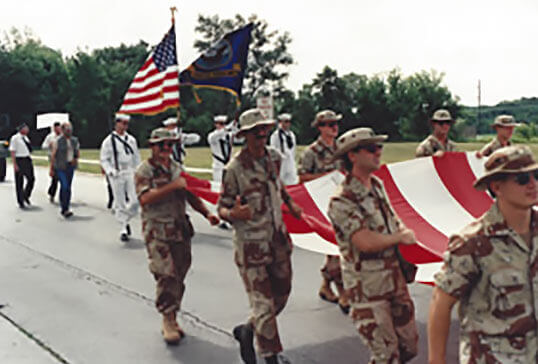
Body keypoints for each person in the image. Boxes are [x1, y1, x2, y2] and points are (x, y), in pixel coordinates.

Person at [428, 145, 538, 364]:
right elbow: (441, 302)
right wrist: (436, 360)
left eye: (536, 175)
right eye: (522, 179)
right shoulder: (473, 242)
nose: (533, 184)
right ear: (497, 187)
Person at [217, 108, 303, 364]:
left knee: (281, 295)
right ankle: (271, 356)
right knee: (264, 305)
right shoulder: (234, 168)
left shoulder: (273, 158)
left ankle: (248, 330)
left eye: (264, 130)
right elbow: (221, 207)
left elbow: (279, 186)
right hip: (251, 246)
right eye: (256, 132)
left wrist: (291, 203)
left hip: (277, 240)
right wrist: (235, 213)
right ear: (245, 135)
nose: (261, 135)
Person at [327, 127, 419, 364]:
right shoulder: (342, 200)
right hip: (367, 289)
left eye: (379, 147)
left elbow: (392, 219)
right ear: (352, 155)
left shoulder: (376, 185)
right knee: (387, 356)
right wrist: (399, 238)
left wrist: (401, 233)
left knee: (409, 347)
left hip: (394, 280)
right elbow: (364, 242)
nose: (378, 152)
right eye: (371, 148)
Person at [135, 127, 219, 345]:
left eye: (170, 145)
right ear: (152, 146)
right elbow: (145, 199)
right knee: (166, 275)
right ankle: (167, 318)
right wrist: (173, 185)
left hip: (180, 230)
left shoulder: (176, 168)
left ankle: (172, 314)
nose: (166, 149)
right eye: (162, 145)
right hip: (158, 231)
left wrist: (207, 213)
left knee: (179, 275)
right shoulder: (145, 171)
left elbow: (190, 195)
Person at [298, 109, 348, 312]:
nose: (334, 127)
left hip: (342, 203)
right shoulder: (311, 152)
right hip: (322, 205)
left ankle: (326, 285)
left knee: (337, 246)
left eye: (335, 123)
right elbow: (302, 178)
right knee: (335, 247)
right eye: (329, 124)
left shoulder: (342, 148)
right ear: (320, 128)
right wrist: (328, 175)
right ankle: (343, 291)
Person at [100, 113, 141, 242]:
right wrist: (110, 171)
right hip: (117, 173)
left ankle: (125, 218)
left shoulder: (131, 140)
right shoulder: (109, 141)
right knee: (120, 202)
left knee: (135, 201)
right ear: (116, 123)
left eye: (126, 123)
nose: (124, 126)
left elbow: (136, 157)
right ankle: (123, 227)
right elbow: (104, 159)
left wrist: (138, 172)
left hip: (129, 171)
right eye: (122, 123)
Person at [49, 122, 79, 218]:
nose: (69, 131)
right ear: (62, 130)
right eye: (67, 129)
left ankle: (66, 207)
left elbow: (77, 152)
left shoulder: (74, 140)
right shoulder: (58, 141)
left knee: (68, 188)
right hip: (61, 167)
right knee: (64, 186)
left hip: (70, 166)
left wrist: (76, 159)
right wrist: (52, 168)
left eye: (70, 129)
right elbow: (53, 155)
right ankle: (64, 208)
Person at [207, 114, 240, 183]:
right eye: (220, 124)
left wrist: (236, 128)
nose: (221, 126)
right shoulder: (212, 136)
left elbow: (240, 139)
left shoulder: (229, 136)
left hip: (229, 166)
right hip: (218, 167)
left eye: (223, 124)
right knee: (218, 188)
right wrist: (228, 128)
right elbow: (219, 135)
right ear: (215, 124)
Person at [9, 123, 35, 209]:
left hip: (27, 159)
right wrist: (15, 164)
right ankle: (20, 201)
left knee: (31, 179)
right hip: (19, 159)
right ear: (21, 129)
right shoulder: (15, 138)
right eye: (26, 128)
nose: (27, 129)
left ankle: (26, 195)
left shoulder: (26, 138)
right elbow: (12, 151)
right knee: (19, 182)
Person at [269, 113, 298, 185]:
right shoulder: (275, 135)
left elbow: (293, 149)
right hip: (280, 163)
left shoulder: (291, 135)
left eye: (288, 122)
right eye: (285, 121)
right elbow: (273, 150)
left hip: (290, 162)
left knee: (292, 182)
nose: (287, 124)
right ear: (280, 122)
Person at [41, 121, 62, 202]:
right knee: (55, 178)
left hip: (62, 158)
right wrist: (49, 145)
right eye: (56, 128)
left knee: (63, 178)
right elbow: (43, 146)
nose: (58, 130)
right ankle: (52, 193)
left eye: (59, 128)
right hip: (53, 158)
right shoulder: (50, 137)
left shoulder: (63, 136)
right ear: (54, 128)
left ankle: (63, 196)